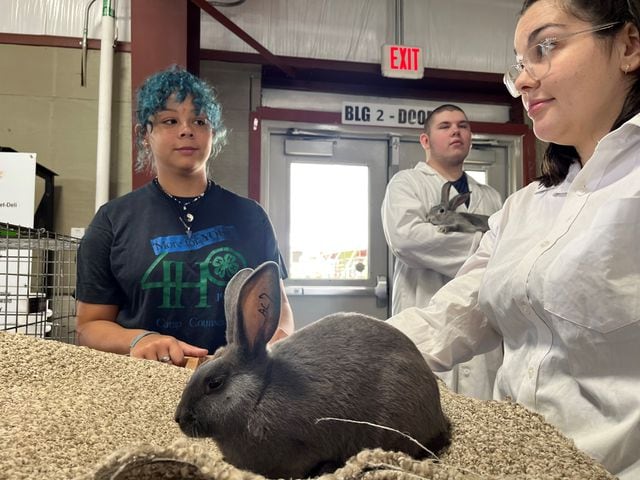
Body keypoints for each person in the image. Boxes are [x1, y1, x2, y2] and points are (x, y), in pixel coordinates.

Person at [387, 0, 640, 477]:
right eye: (520, 64)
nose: (523, 81)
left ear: (628, 46)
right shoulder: (522, 208)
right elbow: (450, 316)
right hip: (512, 458)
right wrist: (306, 352)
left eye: (546, 47)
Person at [75, 66, 294, 366]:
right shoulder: (113, 221)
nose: (186, 129)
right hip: (142, 385)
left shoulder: (251, 217)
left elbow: (279, 309)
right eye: (170, 121)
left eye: (199, 121)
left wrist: (277, 341)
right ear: (144, 135)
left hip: (233, 389)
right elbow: (89, 327)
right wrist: (140, 339)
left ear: (212, 133)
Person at [381, 104, 503, 399]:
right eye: (445, 126)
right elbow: (407, 239)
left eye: (462, 126)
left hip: (478, 331)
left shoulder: (490, 196)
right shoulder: (406, 184)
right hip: (422, 311)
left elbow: (505, 250)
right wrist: (481, 247)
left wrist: (488, 249)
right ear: (425, 141)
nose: (456, 131)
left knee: (482, 426)